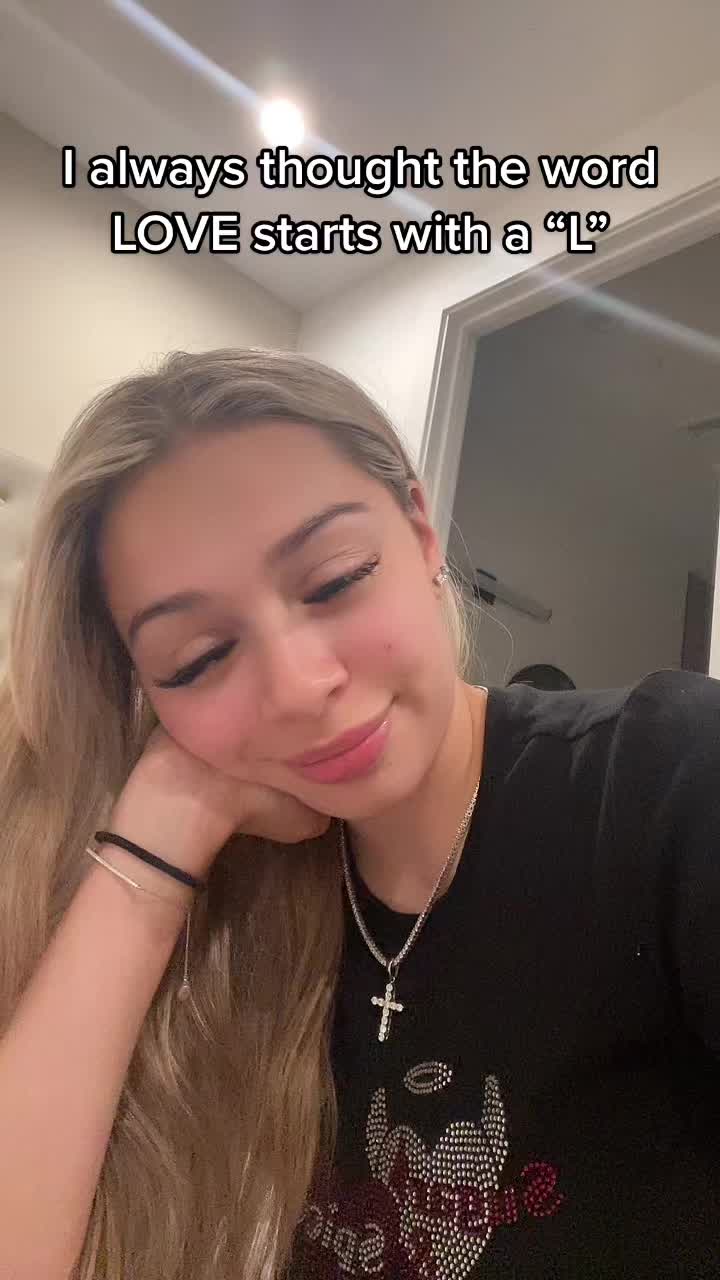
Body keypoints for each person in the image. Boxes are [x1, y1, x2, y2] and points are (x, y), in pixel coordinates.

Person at [0, 348, 717, 1280]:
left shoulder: (668, 778)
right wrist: (159, 833)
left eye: (336, 579)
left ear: (420, 533)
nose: (299, 686)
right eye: (198, 658)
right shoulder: (234, 893)